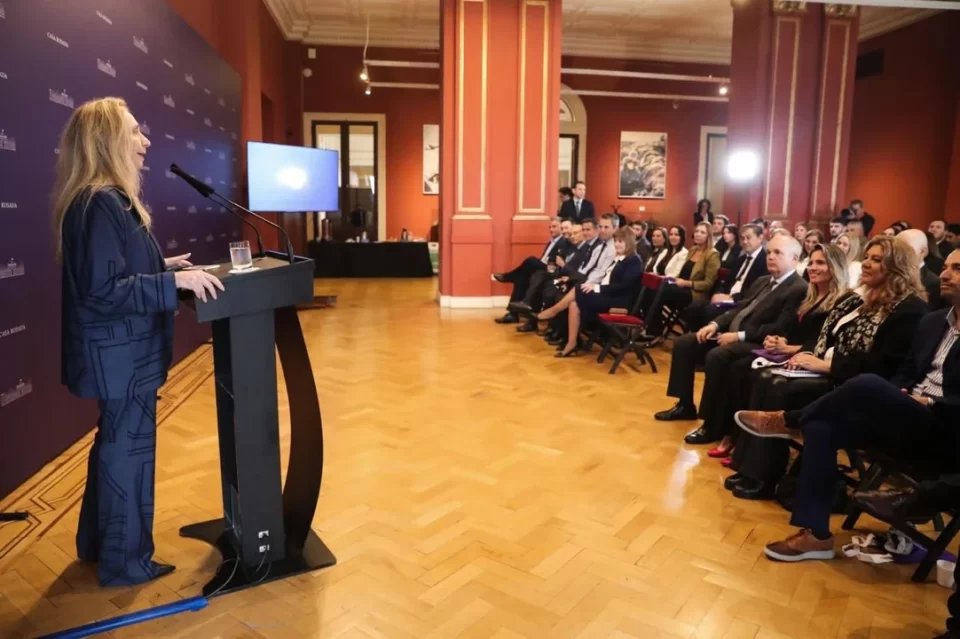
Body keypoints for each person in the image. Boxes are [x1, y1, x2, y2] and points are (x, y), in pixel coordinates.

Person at [55, 97, 224, 586]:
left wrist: (161, 267)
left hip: (119, 357)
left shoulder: (97, 199)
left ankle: (97, 545)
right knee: (126, 452)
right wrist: (173, 283)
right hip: (121, 357)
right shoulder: (102, 202)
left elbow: (110, 273)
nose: (145, 140)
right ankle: (126, 564)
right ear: (106, 141)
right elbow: (103, 291)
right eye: (133, 132)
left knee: (113, 444)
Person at [735, 248, 959, 562]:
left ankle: (788, 420)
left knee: (867, 382)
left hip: (944, 429)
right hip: (905, 415)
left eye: (957, 268)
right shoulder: (935, 321)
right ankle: (816, 535)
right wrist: (899, 394)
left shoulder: (914, 311)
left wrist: (927, 400)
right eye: (946, 267)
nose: (944, 275)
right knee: (821, 426)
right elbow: (906, 372)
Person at [730, 236, 930, 499]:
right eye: (866, 257)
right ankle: (747, 467)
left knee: (777, 386)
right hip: (833, 367)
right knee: (764, 377)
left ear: (897, 266)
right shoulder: (862, 298)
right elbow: (828, 336)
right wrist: (806, 354)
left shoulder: (909, 308)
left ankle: (764, 476)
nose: (866, 263)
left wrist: (826, 365)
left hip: (854, 383)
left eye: (876, 259)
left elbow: (880, 365)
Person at [653, 234, 807, 441]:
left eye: (777, 253)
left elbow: (780, 327)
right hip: (733, 335)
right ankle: (684, 405)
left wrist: (738, 336)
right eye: (769, 252)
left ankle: (711, 424)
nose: (770, 256)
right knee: (685, 343)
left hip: (759, 344)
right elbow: (738, 309)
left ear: (794, 259)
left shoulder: (798, 288)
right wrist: (714, 325)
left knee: (717, 356)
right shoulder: (763, 281)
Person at [556, 227, 644, 357]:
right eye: (616, 241)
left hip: (620, 302)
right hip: (609, 296)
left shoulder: (634, 260)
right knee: (574, 304)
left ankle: (554, 311)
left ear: (629, 242)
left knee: (579, 289)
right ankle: (571, 343)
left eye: (620, 241)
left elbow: (623, 287)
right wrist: (595, 287)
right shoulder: (620, 258)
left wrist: (596, 288)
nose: (617, 244)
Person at [640, 222, 720, 340]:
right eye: (697, 231)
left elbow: (708, 283)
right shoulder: (693, 250)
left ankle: (654, 331)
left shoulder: (712, 254)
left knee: (660, 290)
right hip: (680, 287)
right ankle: (652, 329)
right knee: (651, 288)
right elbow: (682, 273)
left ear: (708, 236)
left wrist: (687, 283)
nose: (698, 234)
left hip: (695, 293)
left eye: (702, 232)